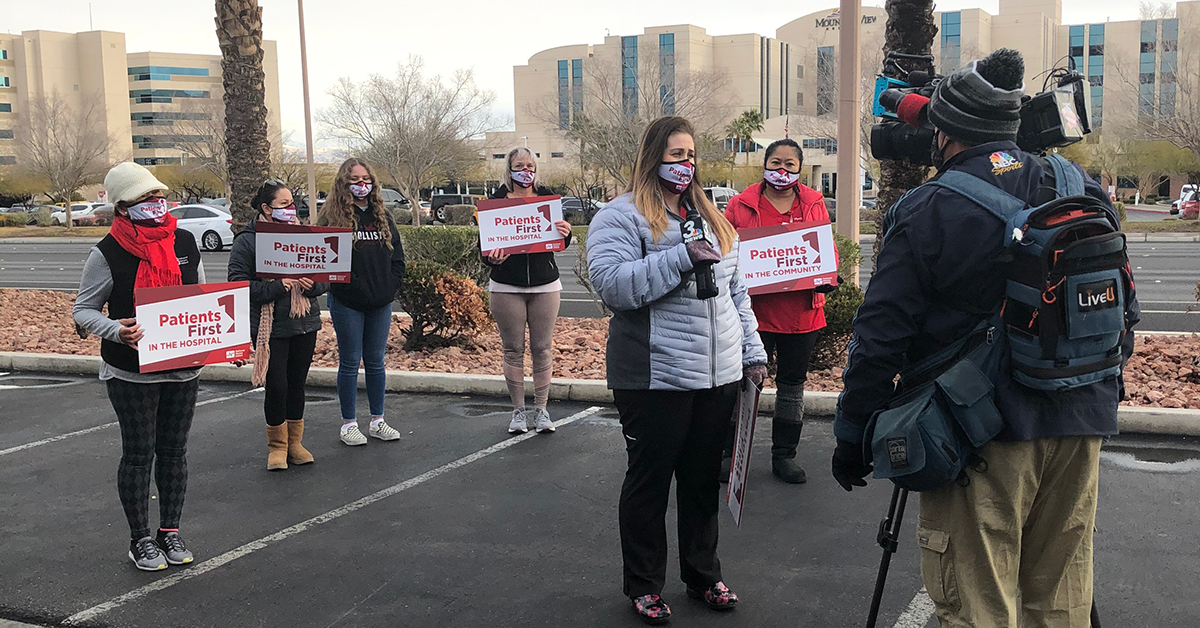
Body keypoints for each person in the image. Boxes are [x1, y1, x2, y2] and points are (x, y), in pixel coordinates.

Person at [831, 49, 1139, 628]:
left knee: (976, 604)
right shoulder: (1081, 185)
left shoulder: (928, 207)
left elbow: (880, 335)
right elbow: (1124, 306)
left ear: (943, 134)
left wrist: (854, 434)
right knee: (1063, 603)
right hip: (1080, 424)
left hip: (980, 433)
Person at [587, 116, 768, 625]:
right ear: (652, 158)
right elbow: (615, 288)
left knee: (700, 481)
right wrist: (680, 258)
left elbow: (738, 295)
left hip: (718, 375)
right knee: (650, 480)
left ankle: (703, 575)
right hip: (654, 376)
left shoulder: (711, 216)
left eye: (690, 156)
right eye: (674, 156)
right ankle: (644, 584)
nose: (684, 165)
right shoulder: (619, 217)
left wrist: (752, 353)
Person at [73, 162, 205, 571]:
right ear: (123, 207)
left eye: (157, 196)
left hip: (182, 369)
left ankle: (170, 531)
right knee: (138, 455)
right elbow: (83, 311)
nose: (155, 204)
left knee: (174, 453)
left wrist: (220, 341)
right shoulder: (107, 252)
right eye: (144, 199)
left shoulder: (183, 240)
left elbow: (201, 300)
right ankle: (140, 539)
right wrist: (116, 330)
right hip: (131, 371)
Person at [722, 138, 836, 484]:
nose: (782, 170)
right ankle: (731, 454)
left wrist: (828, 275)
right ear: (764, 164)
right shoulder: (740, 205)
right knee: (742, 386)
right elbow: (724, 250)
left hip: (802, 314)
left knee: (792, 387)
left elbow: (824, 246)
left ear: (800, 168)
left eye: (789, 164)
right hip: (752, 314)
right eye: (775, 162)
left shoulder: (815, 203)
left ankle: (784, 455)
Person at [227, 180, 328, 470]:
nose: (290, 209)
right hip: (270, 326)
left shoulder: (305, 235)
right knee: (277, 385)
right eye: (283, 204)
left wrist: (312, 286)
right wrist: (274, 287)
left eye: (291, 203)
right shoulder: (247, 241)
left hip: (304, 322)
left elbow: (325, 276)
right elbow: (237, 284)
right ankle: (277, 447)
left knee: (297, 384)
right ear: (265, 208)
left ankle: (295, 443)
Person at [316, 158, 406, 446]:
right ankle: (349, 424)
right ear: (344, 183)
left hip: (381, 302)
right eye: (354, 180)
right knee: (350, 363)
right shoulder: (332, 217)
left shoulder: (384, 217)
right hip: (347, 302)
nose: (361, 185)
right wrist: (355, 289)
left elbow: (398, 260)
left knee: (377, 362)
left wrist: (388, 289)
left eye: (365, 179)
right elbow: (325, 263)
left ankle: (378, 420)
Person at [483, 147, 572, 434]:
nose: (526, 171)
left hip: (546, 284)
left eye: (530, 166)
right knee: (512, 349)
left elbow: (558, 243)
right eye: (520, 166)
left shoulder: (549, 198)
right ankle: (518, 412)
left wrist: (565, 234)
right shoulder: (495, 202)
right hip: (506, 285)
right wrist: (490, 257)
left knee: (542, 348)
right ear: (509, 170)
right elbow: (484, 247)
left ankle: (542, 410)